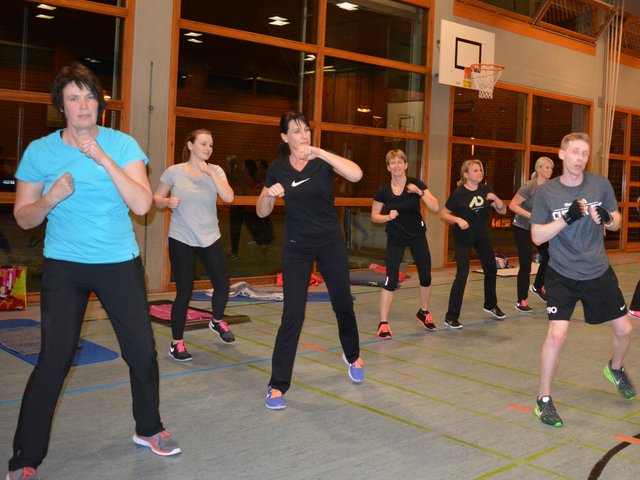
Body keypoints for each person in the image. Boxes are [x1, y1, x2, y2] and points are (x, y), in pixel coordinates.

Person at [6, 62, 180, 480]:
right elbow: (25, 218)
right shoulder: (41, 152)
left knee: (141, 351)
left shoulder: (122, 145)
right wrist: (50, 198)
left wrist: (102, 157)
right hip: (65, 265)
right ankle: (26, 456)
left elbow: (141, 205)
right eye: (73, 98)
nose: (83, 105)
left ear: (99, 104)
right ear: (61, 107)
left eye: (89, 97)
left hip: (118, 263)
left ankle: (148, 428)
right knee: (54, 359)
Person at [256, 111, 364, 410]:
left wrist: (320, 152)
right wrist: (270, 196)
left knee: (343, 302)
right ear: (284, 137)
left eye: (306, 130)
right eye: (296, 131)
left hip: (330, 243)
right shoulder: (278, 168)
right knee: (293, 314)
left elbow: (356, 174)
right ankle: (277, 385)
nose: (303, 135)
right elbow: (261, 211)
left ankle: (353, 354)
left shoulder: (322, 162)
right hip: (297, 247)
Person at [531, 132, 634, 428]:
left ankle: (615, 369)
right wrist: (566, 219)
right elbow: (537, 235)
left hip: (597, 271)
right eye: (574, 152)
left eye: (584, 153)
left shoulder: (599, 185)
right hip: (562, 273)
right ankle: (544, 400)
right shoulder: (547, 192)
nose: (580, 158)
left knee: (625, 331)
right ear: (562, 154)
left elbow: (617, 221)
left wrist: (607, 217)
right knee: (557, 335)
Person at [154, 128, 236, 362]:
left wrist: (210, 173)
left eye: (210, 145)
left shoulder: (216, 170)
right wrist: (167, 201)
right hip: (182, 238)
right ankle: (176, 343)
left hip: (210, 237)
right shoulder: (174, 172)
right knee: (184, 292)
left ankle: (217, 320)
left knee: (222, 284)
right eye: (203, 144)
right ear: (190, 145)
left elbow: (229, 197)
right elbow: (156, 199)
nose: (208, 148)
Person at [371, 148, 439, 339]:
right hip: (396, 237)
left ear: (406, 165)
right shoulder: (383, 189)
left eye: (400, 162)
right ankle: (383, 323)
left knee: (426, 275)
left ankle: (424, 312)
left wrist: (420, 192)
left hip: (417, 235)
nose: (396, 165)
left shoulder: (415, 184)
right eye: (392, 162)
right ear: (388, 167)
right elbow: (374, 216)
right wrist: (387, 216)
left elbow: (435, 206)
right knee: (390, 279)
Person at [440, 159, 508, 329]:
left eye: (481, 170)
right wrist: (457, 219)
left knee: (491, 269)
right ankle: (451, 316)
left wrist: (496, 198)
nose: (480, 173)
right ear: (466, 175)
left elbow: (503, 210)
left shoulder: (486, 190)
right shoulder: (458, 194)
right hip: (463, 237)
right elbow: (443, 213)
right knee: (462, 274)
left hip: (481, 236)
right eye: (476, 170)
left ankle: (490, 304)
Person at [509, 157, 554, 312]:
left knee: (550, 256)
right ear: (539, 169)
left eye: (551, 168)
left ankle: (537, 285)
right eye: (546, 167)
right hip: (522, 227)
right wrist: (531, 216)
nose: (549, 170)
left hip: (539, 228)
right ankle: (521, 300)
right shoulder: (530, 186)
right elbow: (513, 205)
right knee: (526, 263)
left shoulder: (550, 187)